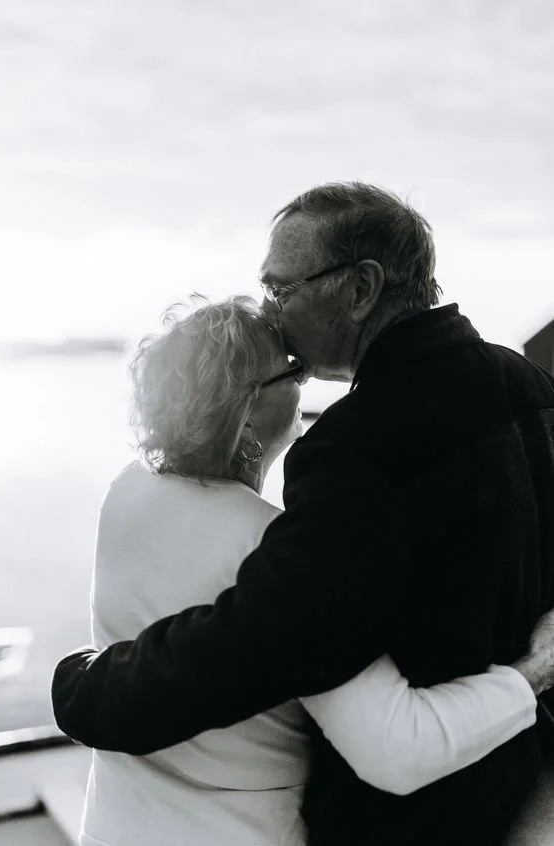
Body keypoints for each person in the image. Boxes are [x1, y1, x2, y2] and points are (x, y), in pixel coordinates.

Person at [52, 183, 554, 846]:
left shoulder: (356, 444)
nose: (272, 311)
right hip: (518, 772)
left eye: (281, 289)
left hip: (414, 814)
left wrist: (91, 691)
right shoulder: (526, 381)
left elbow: (269, 638)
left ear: (359, 289)